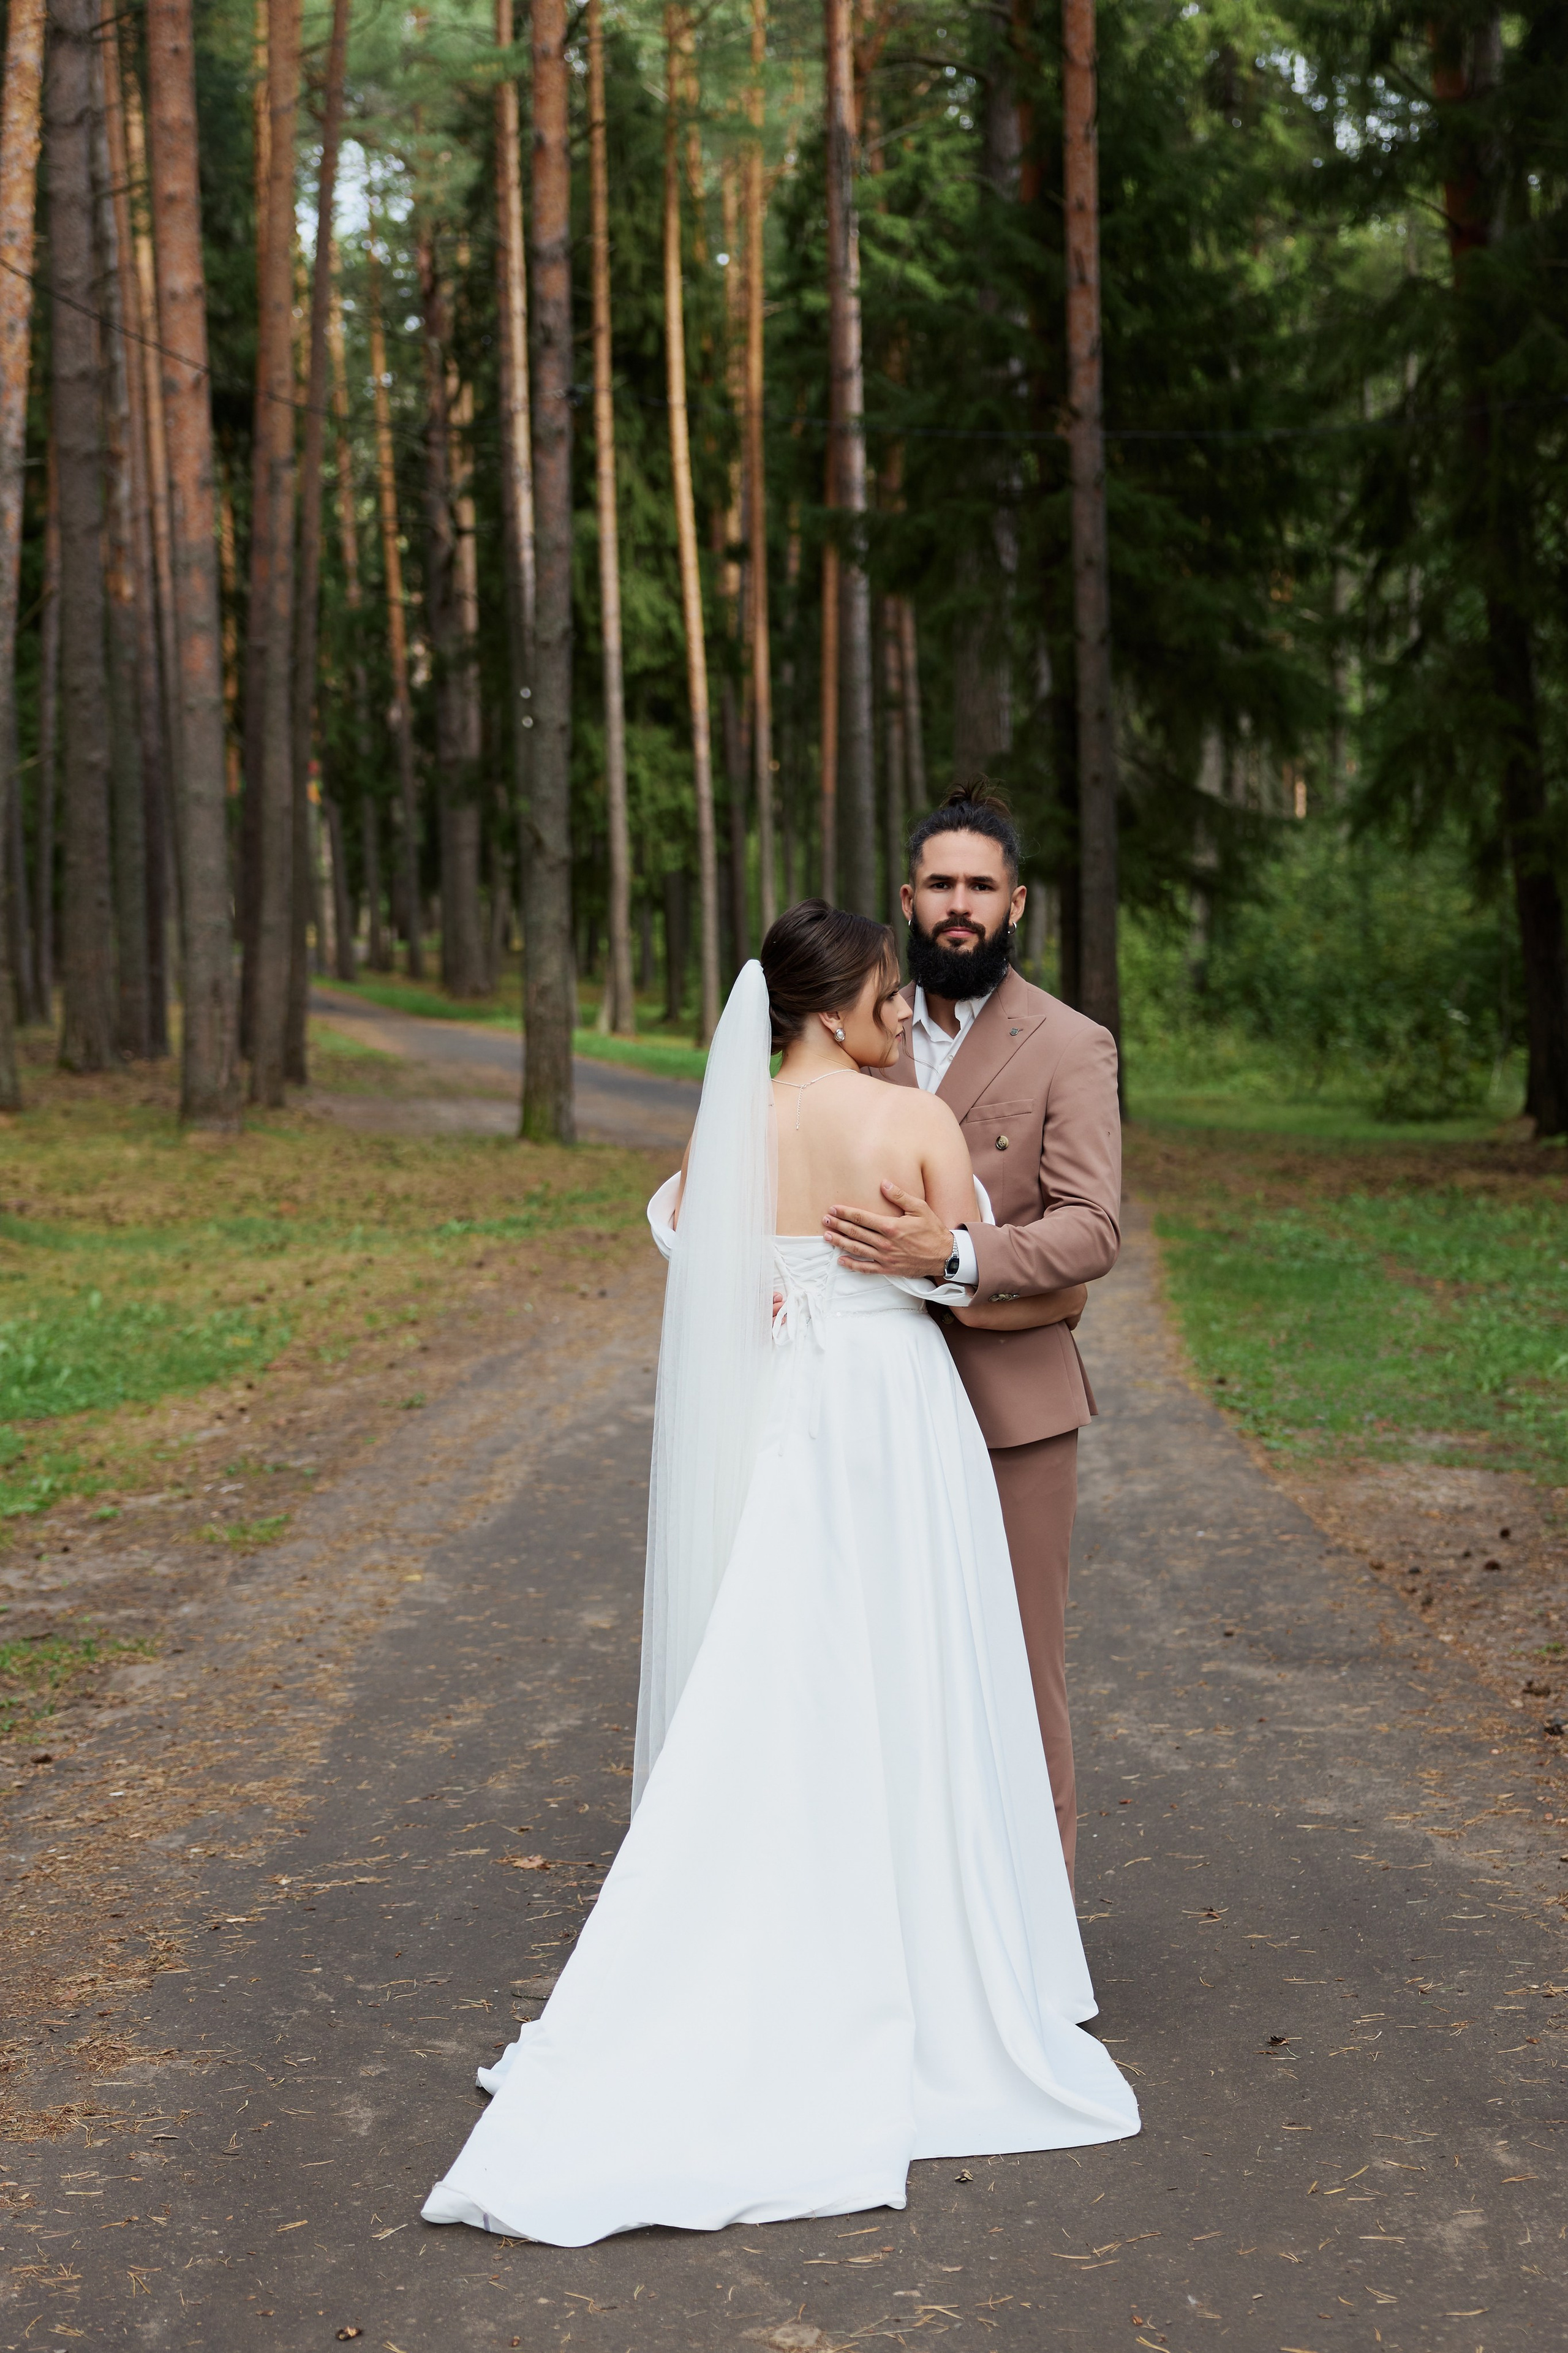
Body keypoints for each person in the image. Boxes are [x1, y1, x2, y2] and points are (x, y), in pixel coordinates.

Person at [421, 902, 1138, 2249]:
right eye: (881, 994)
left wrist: (769, 1284)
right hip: (890, 1415)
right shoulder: (909, 1120)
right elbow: (956, 1273)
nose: (896, 1010)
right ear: (832, 1010)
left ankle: (768, 1935)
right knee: (911, 1663)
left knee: (790, 1668)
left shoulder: (727, 1129)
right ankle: (928, 1953)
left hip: (782, 1421)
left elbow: (698, 1253)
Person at [824, 785, 1120, 1884]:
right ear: (907, 899)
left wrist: (951, 1259)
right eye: (940, 885)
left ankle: (1036, 1945)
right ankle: (901, 1920)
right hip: (862, 1398)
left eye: (979, 888)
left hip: (1014, 1410)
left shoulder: (1073, 1046)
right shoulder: (855, 1036)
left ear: (1017, 904)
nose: (958, 906)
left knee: (1016, 1667)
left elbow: (1091, 1228)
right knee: (879, 1663)